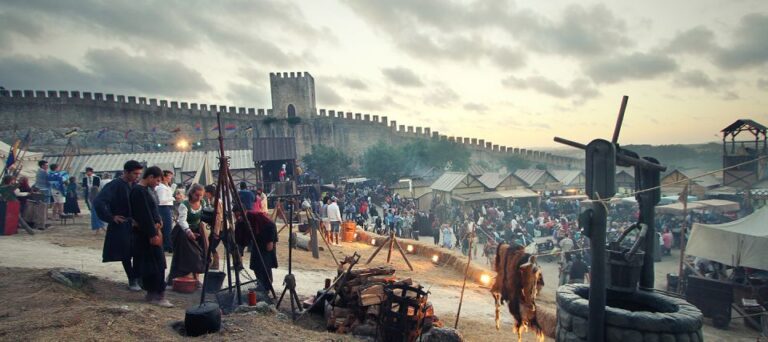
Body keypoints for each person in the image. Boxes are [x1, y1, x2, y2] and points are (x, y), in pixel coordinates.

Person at [93, 160, 143, 291]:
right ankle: (132, 279)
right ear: (126, 172)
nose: (137, 176)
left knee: (138, 251)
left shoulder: (135, 185)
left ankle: (138, 277)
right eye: (135, 173)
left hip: (134, 224)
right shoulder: (115, 185)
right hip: (121, 223)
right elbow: (99, 202)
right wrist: (110, 217)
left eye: (139, 174)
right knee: (125, 253)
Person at [129, 166, 173, 308]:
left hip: (153, 230)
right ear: (150, 177)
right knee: (157, 264)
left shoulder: (148, 190)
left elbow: (154, 209)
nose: (158, 183)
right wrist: (153, 234)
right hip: (146, 234)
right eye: (157, 180)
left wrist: (159, 221)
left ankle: (153, 293)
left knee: (155, 263)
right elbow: (144, 215)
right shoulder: (138, 191)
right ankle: (157, 294)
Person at [168, 184, 207, 286]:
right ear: (192, 193)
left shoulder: (203, 202)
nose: (199, 198)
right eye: (197, 195)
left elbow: (204, 216)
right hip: (183, 232)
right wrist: (188, 231)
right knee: (190, 255)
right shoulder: (184, 205)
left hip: (198, 230)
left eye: (201, 195)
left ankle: (196, 278)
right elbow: (182, 221)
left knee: (201, 253)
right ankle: (178, 278)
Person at [238, 210, 277, 294]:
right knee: (256, 266)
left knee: (265, 267)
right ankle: (260, 284)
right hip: (258, 246)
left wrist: (270, 241)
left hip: (265, 248)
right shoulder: (253, 222)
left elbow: (270, 243)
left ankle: (267, 287)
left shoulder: (268, 224)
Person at [155, 170, 175, 253]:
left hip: (168, 207)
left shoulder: (166, 186)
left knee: (168, 227)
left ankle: (167, 245)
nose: (170, 178)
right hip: (163, 208)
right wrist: (173, 198)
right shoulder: (161, 187)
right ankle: (167, 246)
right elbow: (161, 200)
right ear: (164, 177)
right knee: (167, 227)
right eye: (169, 176)